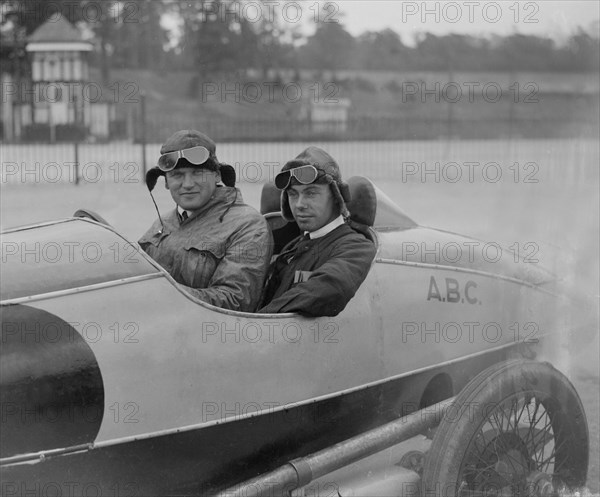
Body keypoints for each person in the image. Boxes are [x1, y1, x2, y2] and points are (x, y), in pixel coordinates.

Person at [139, 130, 272, 312]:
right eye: (177, 175)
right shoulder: (163, 222)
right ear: (166, 182)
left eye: (197, 173)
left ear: (217, 175)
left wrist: (160, 294)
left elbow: (235, 300)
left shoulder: (247, 225)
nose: (187, 184)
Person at [258, 146, 376, 316]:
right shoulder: (292, 248)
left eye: (311, 193)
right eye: (293, 194)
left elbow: (329, 287)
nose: (299, 204)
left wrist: (257, 322)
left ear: (336, 198)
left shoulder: (356, 248)